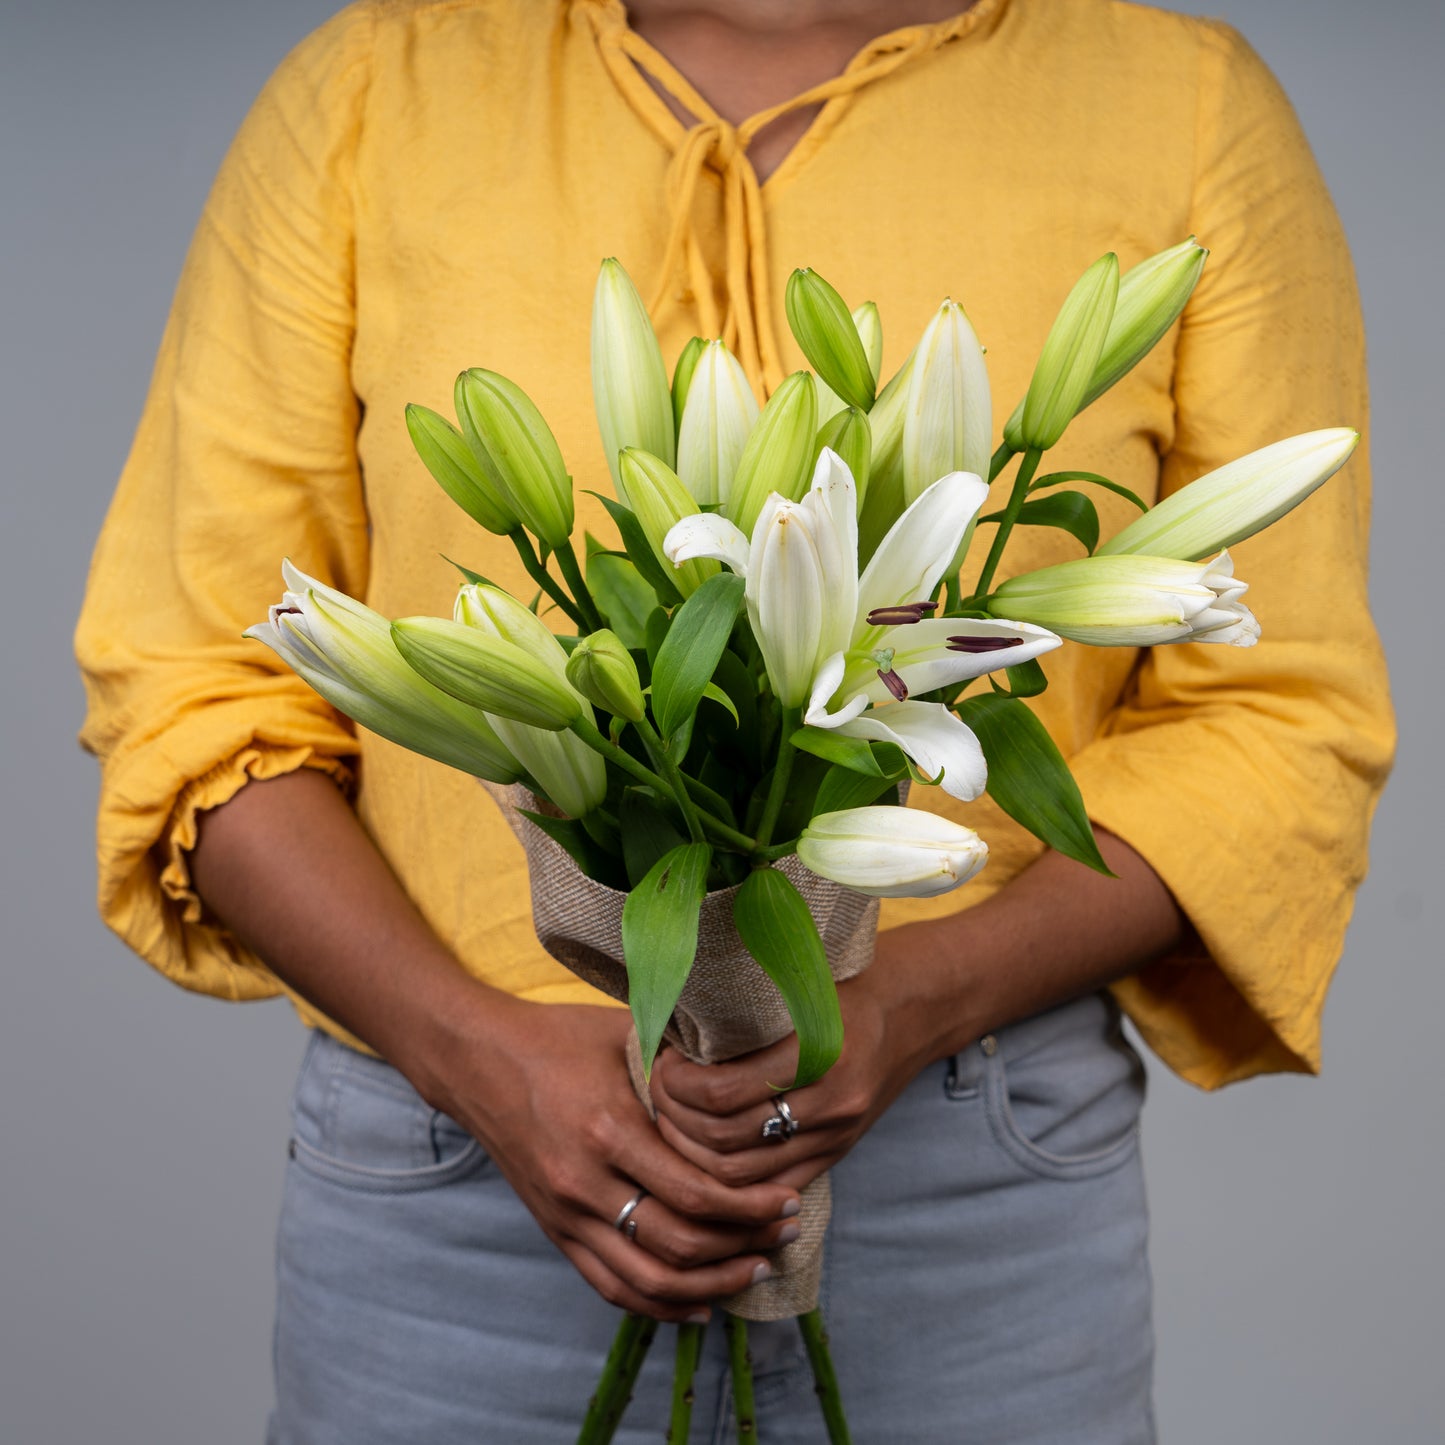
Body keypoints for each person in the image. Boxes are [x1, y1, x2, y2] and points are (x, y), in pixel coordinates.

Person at [74, 0, 1393, 1439]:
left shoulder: (1178, 101)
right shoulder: (376, 90)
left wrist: (895, 1009)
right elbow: (198, 684)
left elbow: (1278, 716)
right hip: (458, 1155)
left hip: (963, 1165)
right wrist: (476, 1053)